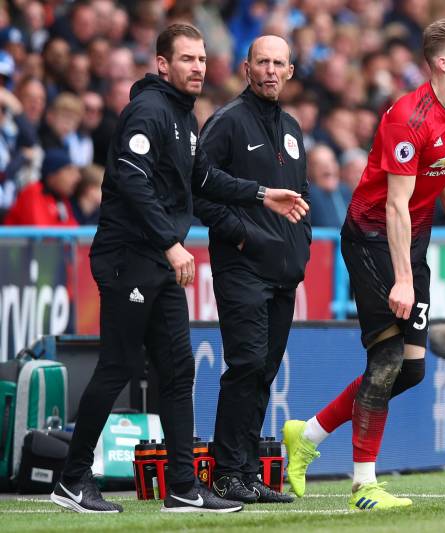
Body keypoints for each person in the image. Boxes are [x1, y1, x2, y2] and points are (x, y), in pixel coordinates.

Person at [50, 23, 307, 514]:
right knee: (119, 365)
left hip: (159, 263)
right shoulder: (148, 111)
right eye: (187, 59)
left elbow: (204, 177)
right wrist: (171, 243)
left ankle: (184, 487)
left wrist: (261, 194)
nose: (197, 68)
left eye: (202, 59)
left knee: (178, 371)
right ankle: (73, 477)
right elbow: (130, 179)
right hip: (130, 258)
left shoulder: (186, 119)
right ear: (163, 64)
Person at [282, 17, 445, 510]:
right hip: (374, 238)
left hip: (412, 240)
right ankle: (364, 484)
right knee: (387, 359)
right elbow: (395, 204)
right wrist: (401, 278)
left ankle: (306, 433)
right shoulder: (407, 118)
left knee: (411, 371)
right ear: (443, 64)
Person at [192, 35, 309, 505]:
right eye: (262, 62)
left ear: (291, 72)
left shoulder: (293, 127)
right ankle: (224, 473)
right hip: (242, 266)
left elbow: (297, 200)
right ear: (246, 68)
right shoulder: (226, 123)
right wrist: (239, 233)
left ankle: (244, 470)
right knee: (245, 365)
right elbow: (197, 190)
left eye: (278, 63)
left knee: (263, 370)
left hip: (283, 271)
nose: (270, 71)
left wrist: (298, 249)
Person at [4, 149, 79, 226]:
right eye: (70, 171)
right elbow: (41, 233)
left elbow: (73, 229)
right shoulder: (32, 192)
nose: (77, 177)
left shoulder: (61, 198)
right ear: (52, 175)